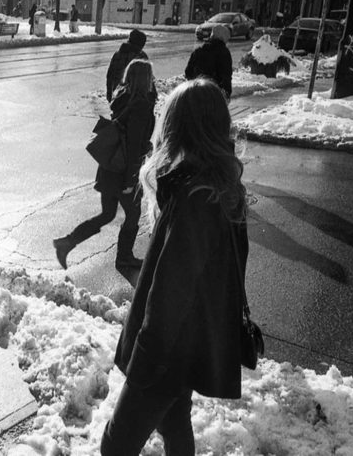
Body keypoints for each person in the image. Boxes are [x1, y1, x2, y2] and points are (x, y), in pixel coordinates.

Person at [100, 78, 248, 455]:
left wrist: (144, 365)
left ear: (179, 129)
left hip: (165, 354)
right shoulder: (217, 186)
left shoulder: (196, 200)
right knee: (175, 423)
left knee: (115, 447)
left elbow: (171, 294)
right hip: (187, 348)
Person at [53, 59, 158, 270]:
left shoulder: (122, 98)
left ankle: (67, 242)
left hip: (110, 166)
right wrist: (130, 179)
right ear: (146, 79)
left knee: (108, 214)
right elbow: (134, 143)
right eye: (151, 76)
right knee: (133, 215)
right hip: (124, 171)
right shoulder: (140, 106)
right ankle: (124, 258)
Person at [185, 24, 232, 100]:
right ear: (224, 38)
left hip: (197, 92)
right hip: (214, 94)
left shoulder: (198, 51)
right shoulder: (224, 53)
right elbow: (226, 75)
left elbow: (188, 72)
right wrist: (227, 93)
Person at [106, 29, 148, 102]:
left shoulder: (118, 54)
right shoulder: (141, 57)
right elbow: (147, 79)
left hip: (117, 95)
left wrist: (109, 93)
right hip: (135, 98)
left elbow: (110, 75)